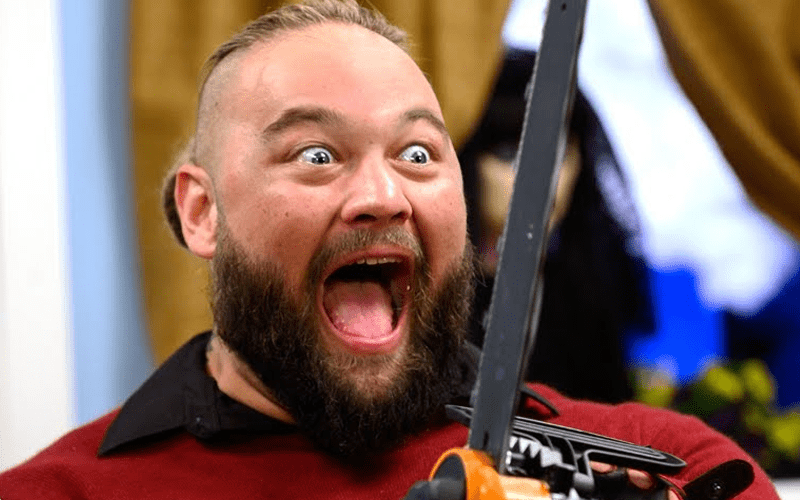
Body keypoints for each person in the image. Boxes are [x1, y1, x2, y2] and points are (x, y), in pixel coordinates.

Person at [0, 1, 780, 498]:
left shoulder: (670, 466)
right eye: (316, 155)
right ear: (202, 213)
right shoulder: (57, 494)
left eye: (416, 154)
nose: (383, 194)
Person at [460, 48, 655, 404]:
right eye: (508, 154)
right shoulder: (432, 300)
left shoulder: (585, 297)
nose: (540, 179)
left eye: (559, 155)